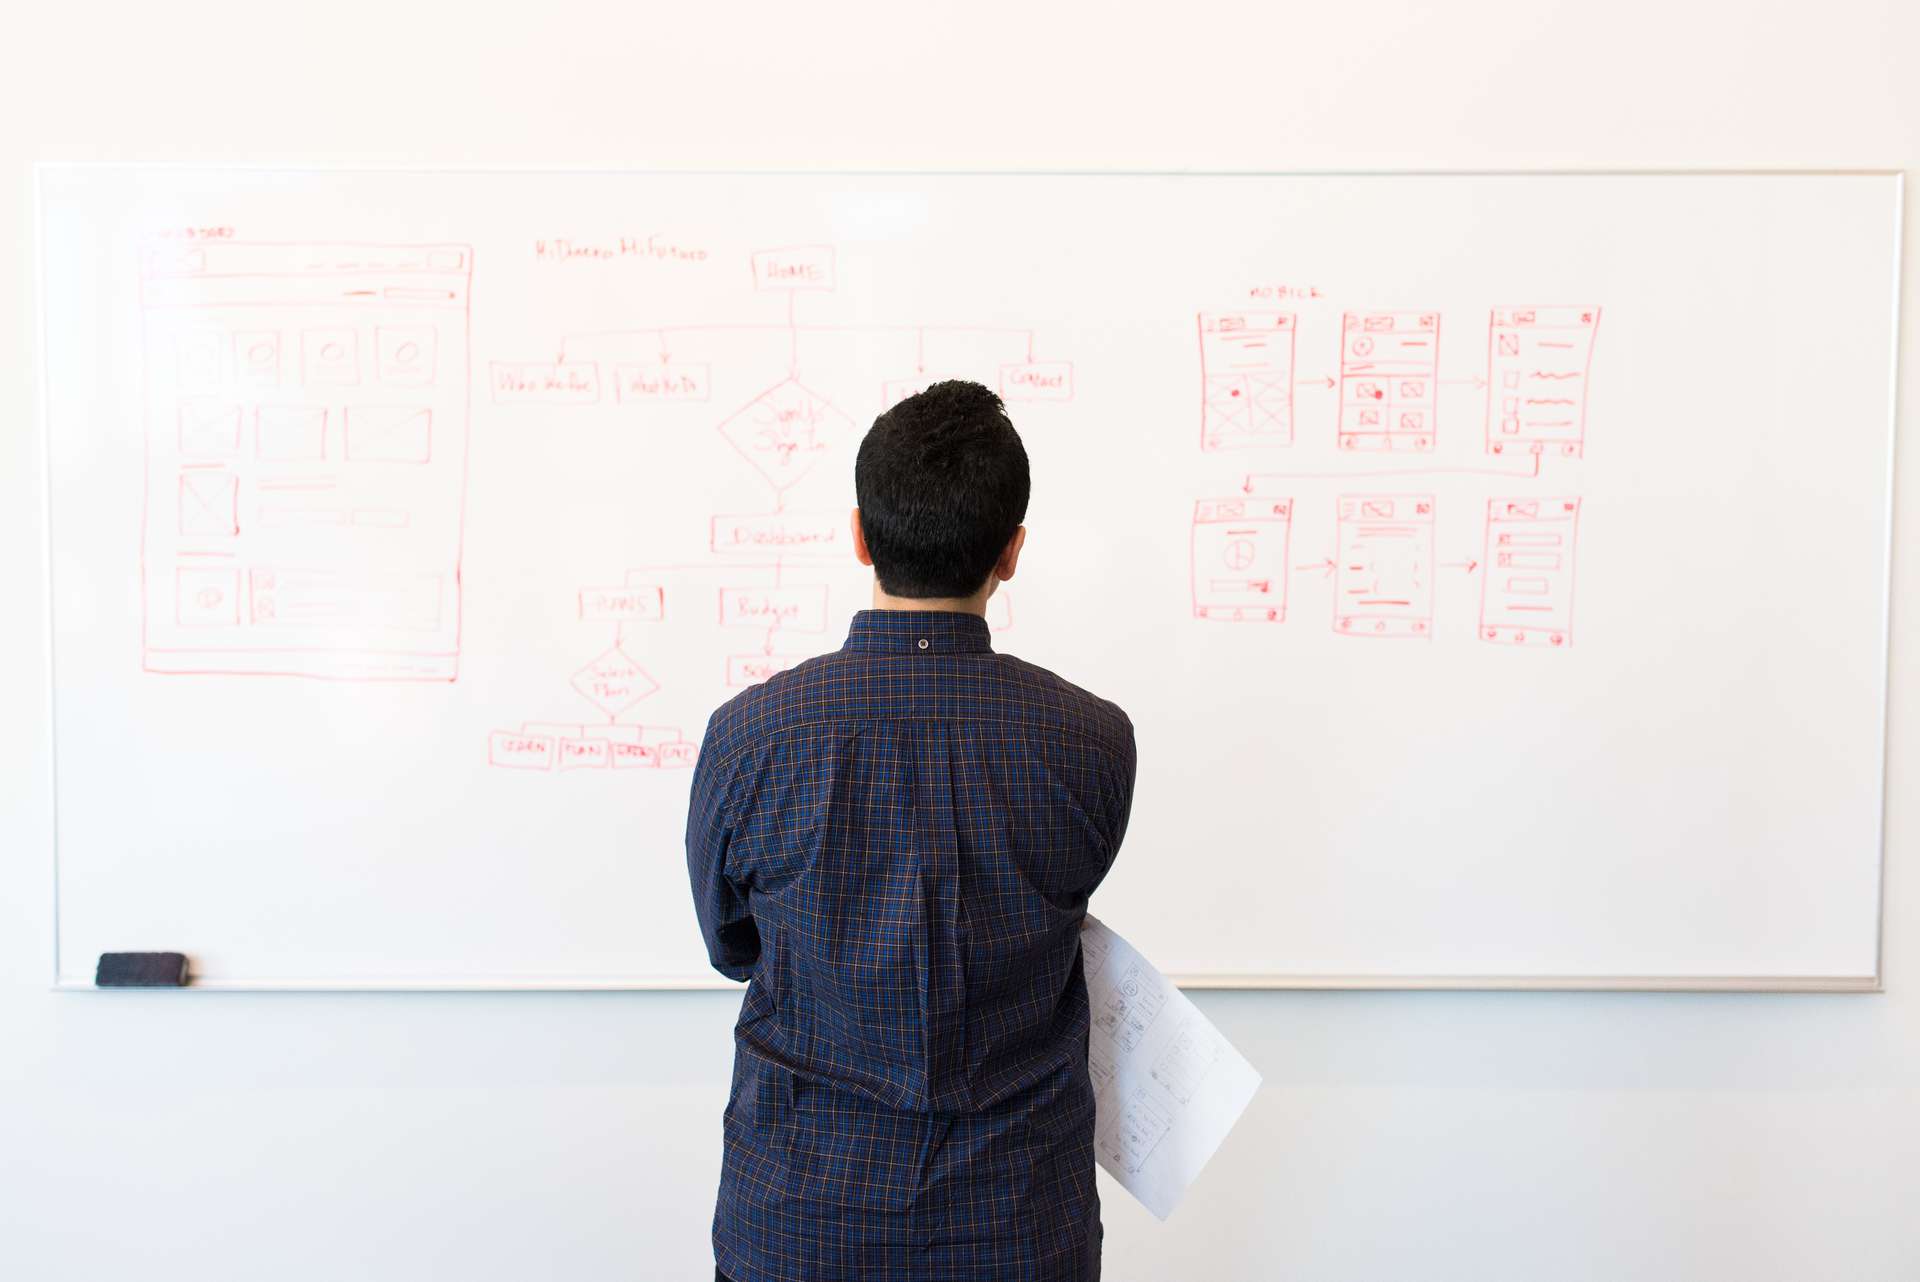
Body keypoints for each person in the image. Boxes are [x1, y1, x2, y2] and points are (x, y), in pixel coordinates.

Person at [685, 378, 1138, 1282]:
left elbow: (733, 947)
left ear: (859, 534)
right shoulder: (1092, 742)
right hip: (1019, 1228)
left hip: (800, 1223)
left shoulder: (750, 737)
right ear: (1011, 553)